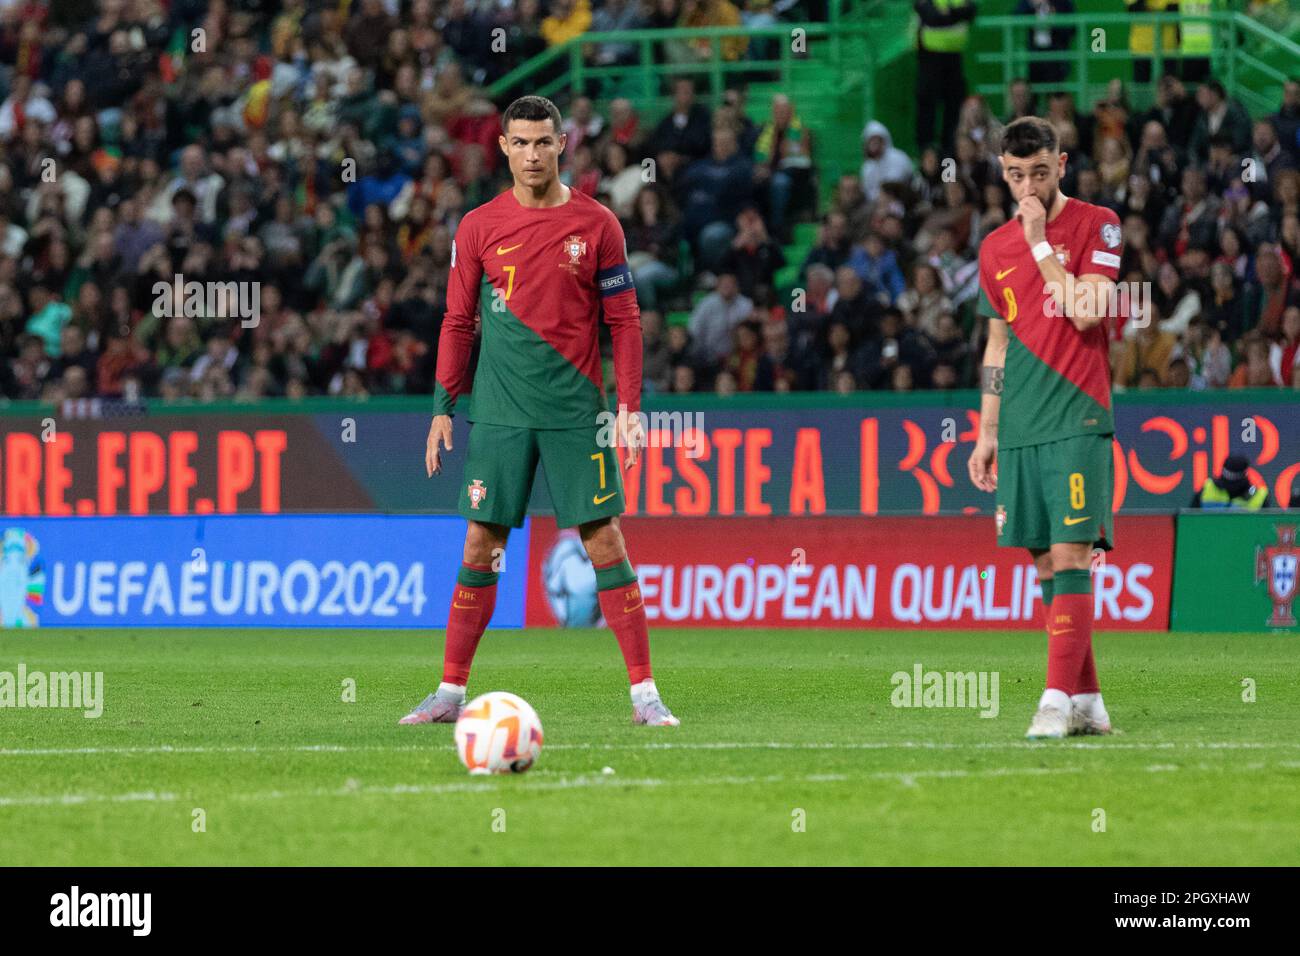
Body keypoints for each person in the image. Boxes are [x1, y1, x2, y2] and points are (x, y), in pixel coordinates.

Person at [407, 96, 679, 728]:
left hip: (575, 412)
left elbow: (625, 322)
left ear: (563, 146)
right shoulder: (477, 226)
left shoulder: (599, 225)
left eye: (543, 142)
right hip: (499, 414)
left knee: (605, 538)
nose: (532, 154)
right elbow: (457, 320)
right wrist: (444, 404)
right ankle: (449, 693)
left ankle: (644, 695)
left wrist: (630, 406)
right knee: (480, 541)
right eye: (520, 143)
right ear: (503, 147)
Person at [969, 116, 1124, 740]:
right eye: (1014, 175)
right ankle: (1088, 700)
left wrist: (1039, 243)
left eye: (1039, 171)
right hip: (1022, 426)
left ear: (1062, 163)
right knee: (1044, 567)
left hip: (1078, 415)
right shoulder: (991, 249)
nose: (1027, 185)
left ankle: (1055, 701)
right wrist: (986, 430)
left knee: (1072, 553)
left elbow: (1088, 311)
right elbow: (997, 344)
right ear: (1002, 172)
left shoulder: (1098, 223)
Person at [914, 0, 977, 153]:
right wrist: (955, 13)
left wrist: (947, 14)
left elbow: (971, 11)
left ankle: (950, 152)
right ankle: (926, 154)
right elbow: (931, 16)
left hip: (954, 58)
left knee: (954, 107)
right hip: (930, 57)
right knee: (927, 107)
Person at [1190, 454, 1270, 509]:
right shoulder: (1207, 488)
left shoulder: (1259, 496)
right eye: (1228, 475)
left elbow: (1265, 528)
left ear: (1245, 474)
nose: (1231, 482)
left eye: (1235, 476)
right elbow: (1189, 521)